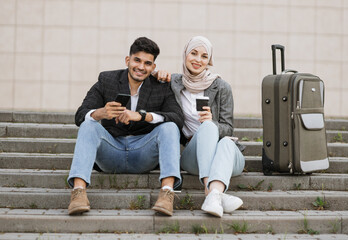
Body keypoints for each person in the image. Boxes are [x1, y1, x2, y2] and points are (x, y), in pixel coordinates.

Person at [67, 37, 183, 216]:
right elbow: (80, 114)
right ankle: (78, 193)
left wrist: (142, 116)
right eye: (137, 60)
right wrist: (100, 113)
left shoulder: (161, 86)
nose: (141, 67)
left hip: (143, 153)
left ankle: (167, 193)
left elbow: (177, 118)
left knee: (170, 127)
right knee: (88, 124)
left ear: (153, 67)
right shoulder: (107, 79)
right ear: (128, 60)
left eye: (147, 63)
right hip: (111, 151)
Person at [155, 36, 245, 217]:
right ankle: (214, 193)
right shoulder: (173, 83)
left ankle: (211, 193)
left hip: (226, 156)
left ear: (209, 61)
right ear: (185, 55)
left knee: (220, 136)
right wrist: (157, 73)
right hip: (193, 155)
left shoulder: (222, 87)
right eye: (194, 53)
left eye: (204, 56)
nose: (198, 60)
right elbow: (145, 75)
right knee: (207, 128)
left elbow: (228, 129)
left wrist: (211, 122)